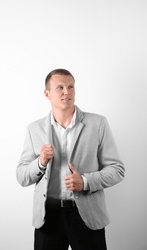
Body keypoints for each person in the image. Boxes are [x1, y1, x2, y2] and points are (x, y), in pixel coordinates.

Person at [16, 68, 125, 250]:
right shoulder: (34, 129)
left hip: (87, 215)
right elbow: (21, 176)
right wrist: (40, 163)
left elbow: (117, 169)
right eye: (60, 88)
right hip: (48, 216)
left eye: (71, 87)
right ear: (47, 93)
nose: (67, 92)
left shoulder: (98, 124)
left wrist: (85, 181)